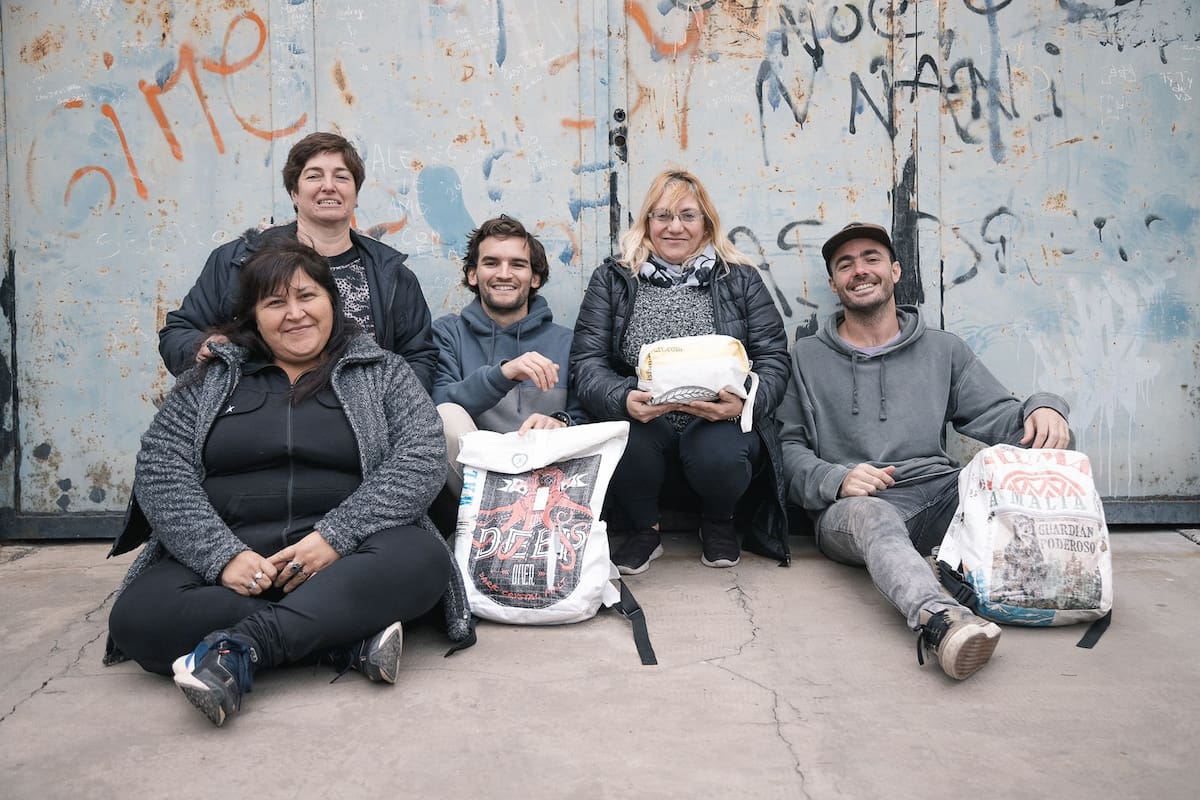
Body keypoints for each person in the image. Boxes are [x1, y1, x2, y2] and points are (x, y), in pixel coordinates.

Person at [105, 241, 472, 727]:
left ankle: (242, 648)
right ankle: (344, 641)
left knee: (421, 560)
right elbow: (160, 468)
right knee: (138, 616)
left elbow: (421, 456)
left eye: (307, 296)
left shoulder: (382, 371)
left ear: (332, 302)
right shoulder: (211, 379)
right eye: (275, 303)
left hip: (347, 559)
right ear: (253, 317)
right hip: (236, 563)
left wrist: (334, 538)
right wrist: (222, 557)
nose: (295, 314)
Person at [777, 221, 1072, 680]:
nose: (860, 271)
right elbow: (787, 449)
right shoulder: (805, 359)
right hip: (857, 506)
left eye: (871, 259)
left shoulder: (942, 350)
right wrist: (836, 480)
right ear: (834, 283)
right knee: (872, 516)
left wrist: (1046, 409)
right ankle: (943, 622)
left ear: (895, 272)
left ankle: (1057, 585)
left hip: (938, 493)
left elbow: (1000, 416)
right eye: (845, 265)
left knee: (993, 477)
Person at [570, 169, 791, 574]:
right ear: (647, 223)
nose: (675, 227)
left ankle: (719, 522)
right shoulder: (614, 278)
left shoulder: (739, 279)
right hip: (645, 421)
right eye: (662, 216)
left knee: (721, 451)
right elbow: (586, 363)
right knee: (626, 435)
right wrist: (622, 399)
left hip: (716, 422)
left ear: (706, 224)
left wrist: (743, 404)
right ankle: (644, 530)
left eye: (688, 216)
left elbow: (774, 357)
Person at [158, 131, 438, 392]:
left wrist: (395, 404)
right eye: (314, 176)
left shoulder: (390, 273)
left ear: (355, 195)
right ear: (294, 193)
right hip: (253, 416)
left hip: (362, 428)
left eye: (341, 177)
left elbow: (419, 355)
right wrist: (201, 347)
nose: (329, 187)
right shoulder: (238, 260)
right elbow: (178, 333)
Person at [432, 215, 587, 497]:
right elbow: (438, 408)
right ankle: (490, 516)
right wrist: (503, 375)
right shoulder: (448, 333)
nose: (504, 274)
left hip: (549, 484)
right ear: (472, 275)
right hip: (475, 489)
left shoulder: (566, 341)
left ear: (535, 278)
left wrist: (562, 421)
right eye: (491, 263)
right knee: (446, 415)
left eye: (517, 264)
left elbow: (587, 414)